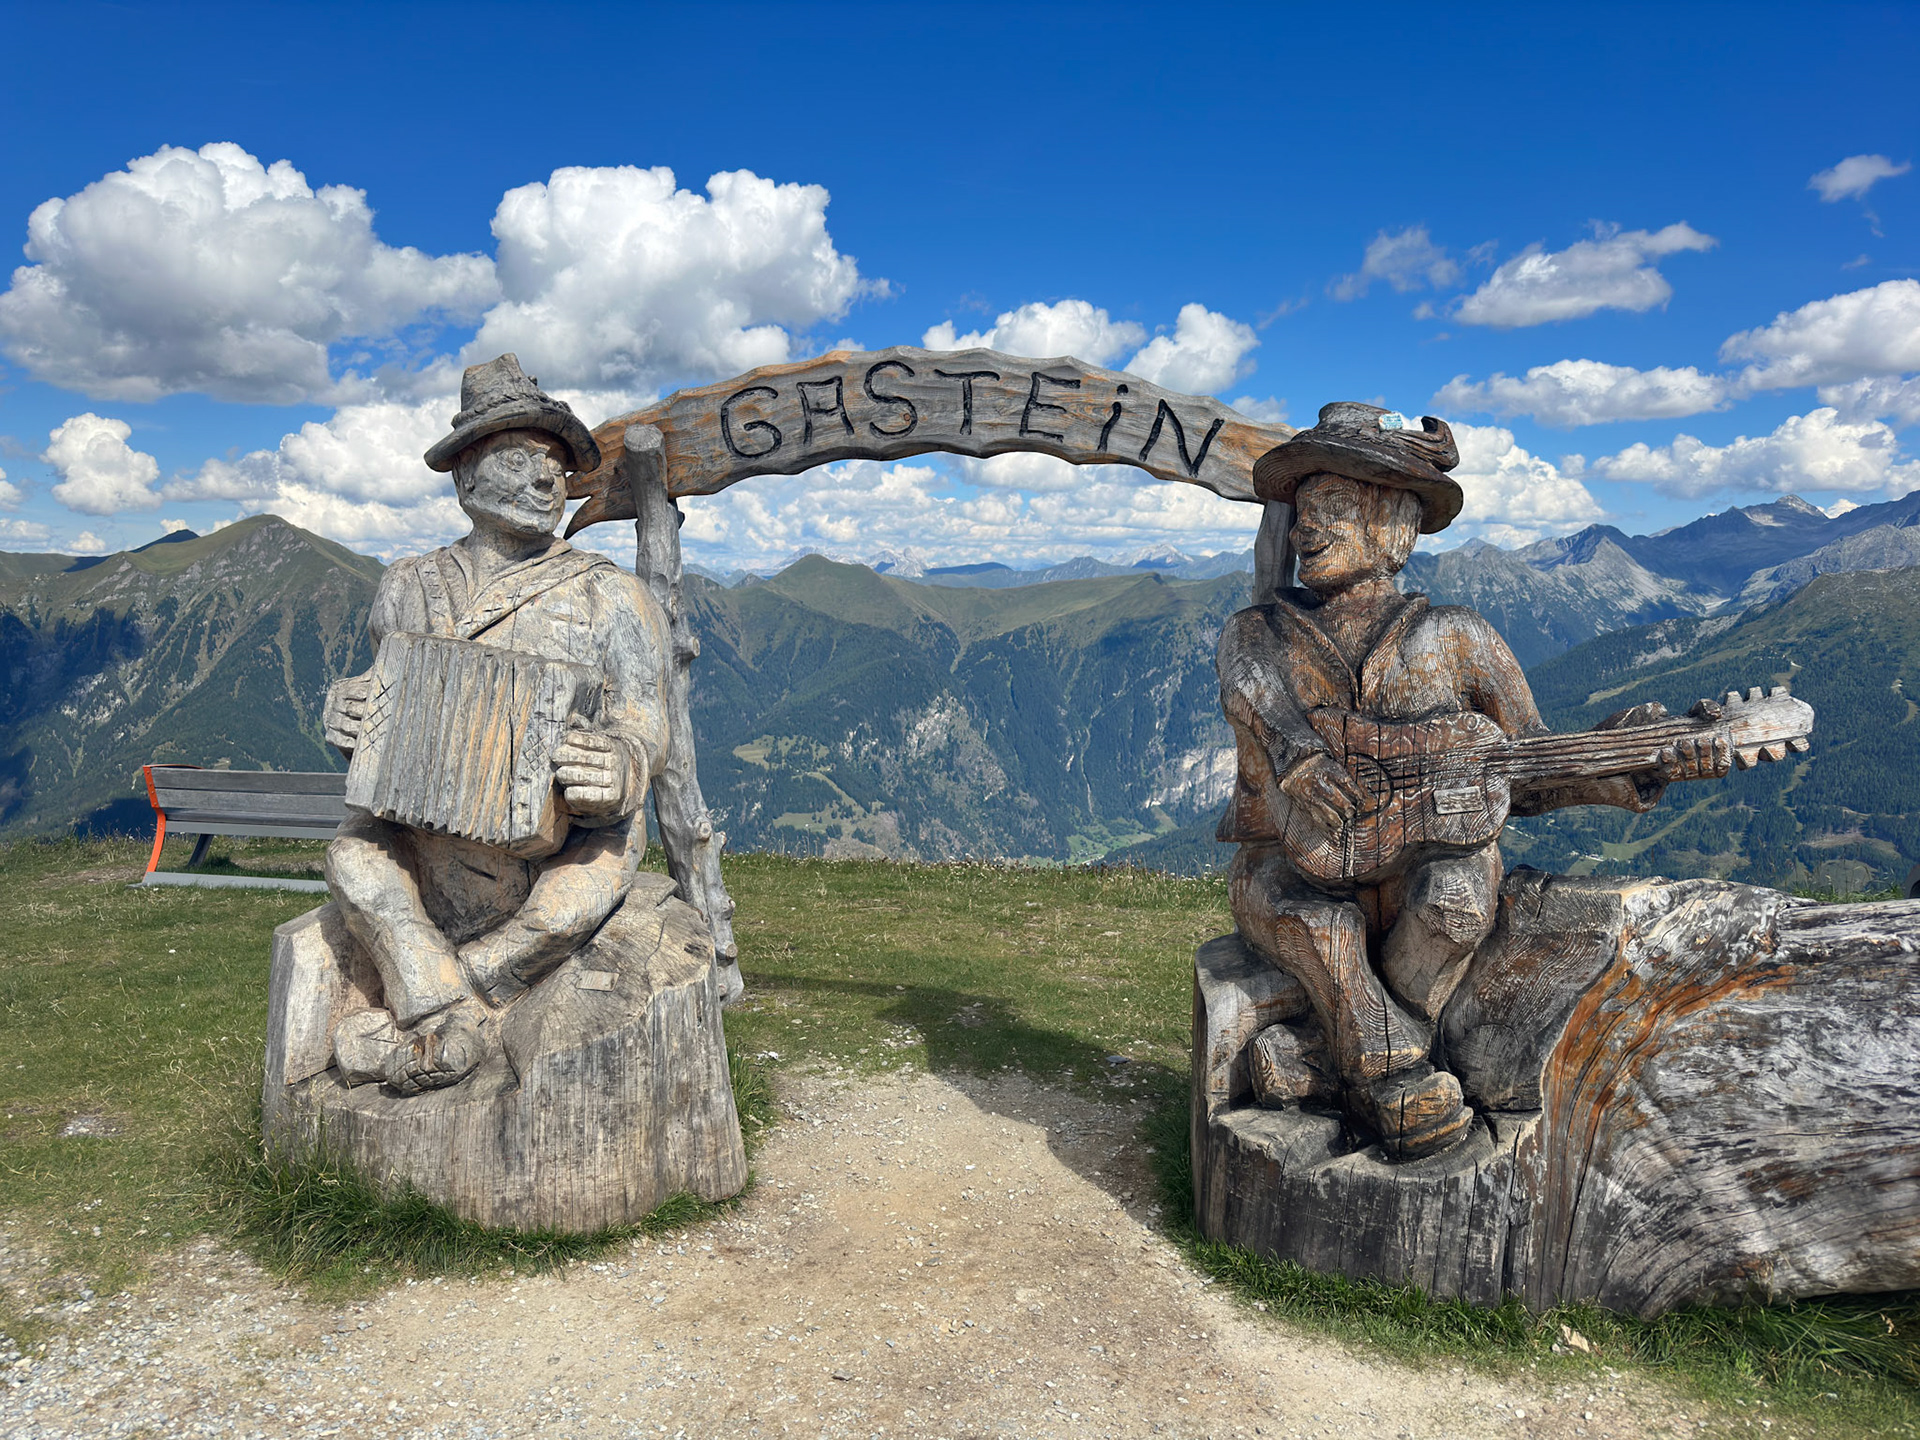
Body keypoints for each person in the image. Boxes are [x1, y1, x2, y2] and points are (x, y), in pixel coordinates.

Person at [1218, 402, 1726, 1158]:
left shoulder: (1458, 637)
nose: (1304, 531)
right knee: (1318, 924)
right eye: (1303, 512)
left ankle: (1334, 1057)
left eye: (1331, 508)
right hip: (1286, 864)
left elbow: (1522, 767)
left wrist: (1620, 769)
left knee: (1456, 900)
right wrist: (1298, 755)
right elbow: (1250, 689)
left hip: (1426, 860)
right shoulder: (1259, 631)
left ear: (1392, 524)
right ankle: (1394, 1079)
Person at [320, 354, 672, 1094]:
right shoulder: (407, 587)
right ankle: (448, 1015)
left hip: (560, 842)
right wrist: (350, 713)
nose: (549, 481)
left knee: (577, 891)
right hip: (426, 839)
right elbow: (384, 701)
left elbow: (645, 722)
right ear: (466, 479)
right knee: (354, 857)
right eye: (520, 460)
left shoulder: (611, 596)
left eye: (556, 467)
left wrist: (624, 761)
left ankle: (444, 1004)